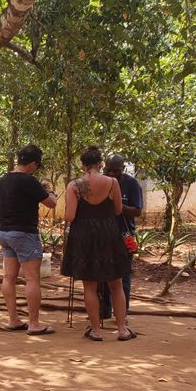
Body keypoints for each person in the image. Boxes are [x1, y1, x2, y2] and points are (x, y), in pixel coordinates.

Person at [61, 146, 135, 342]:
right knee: (116, 285)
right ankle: (122, 330)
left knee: (90, 286)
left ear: (84, 165)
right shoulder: (112, 183)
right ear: (100, 164)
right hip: (109, 235)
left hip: (84, 237)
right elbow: (118, 210)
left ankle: (95, 330)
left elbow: (70, 216)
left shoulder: (75, 185)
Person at [0, 144, 58, 335]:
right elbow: (52, 203)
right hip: (24, 233)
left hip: (5, 233)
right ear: (32, 164)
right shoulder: (29, 181)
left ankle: (13, 319)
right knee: (32, 278)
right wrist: (50, 191)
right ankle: (34, 323)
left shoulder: (5, 178)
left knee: (9, 277)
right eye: (37, 166)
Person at [100, 154, 143, 318]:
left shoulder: (131, 184)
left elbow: (137, 211)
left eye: (116, 171)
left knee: (122, 275)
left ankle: (122, 313)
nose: (111, 174)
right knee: (101, 274)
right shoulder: (101, 182)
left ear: (123, 169)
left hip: (123, 235)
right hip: (102, 234)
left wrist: (118, 205)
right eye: (108, 170)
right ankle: (103, 311)